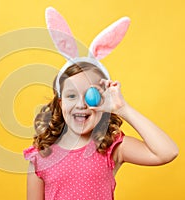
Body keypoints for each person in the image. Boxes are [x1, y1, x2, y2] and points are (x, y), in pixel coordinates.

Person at [23, 7, 179, 200]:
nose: (81, 104)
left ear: (103, 100)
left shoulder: (111, 147)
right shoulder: (40, 157)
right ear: (60, 102)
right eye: (72, 96)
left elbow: (168, 152)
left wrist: (123, 109)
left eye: (90, 95)